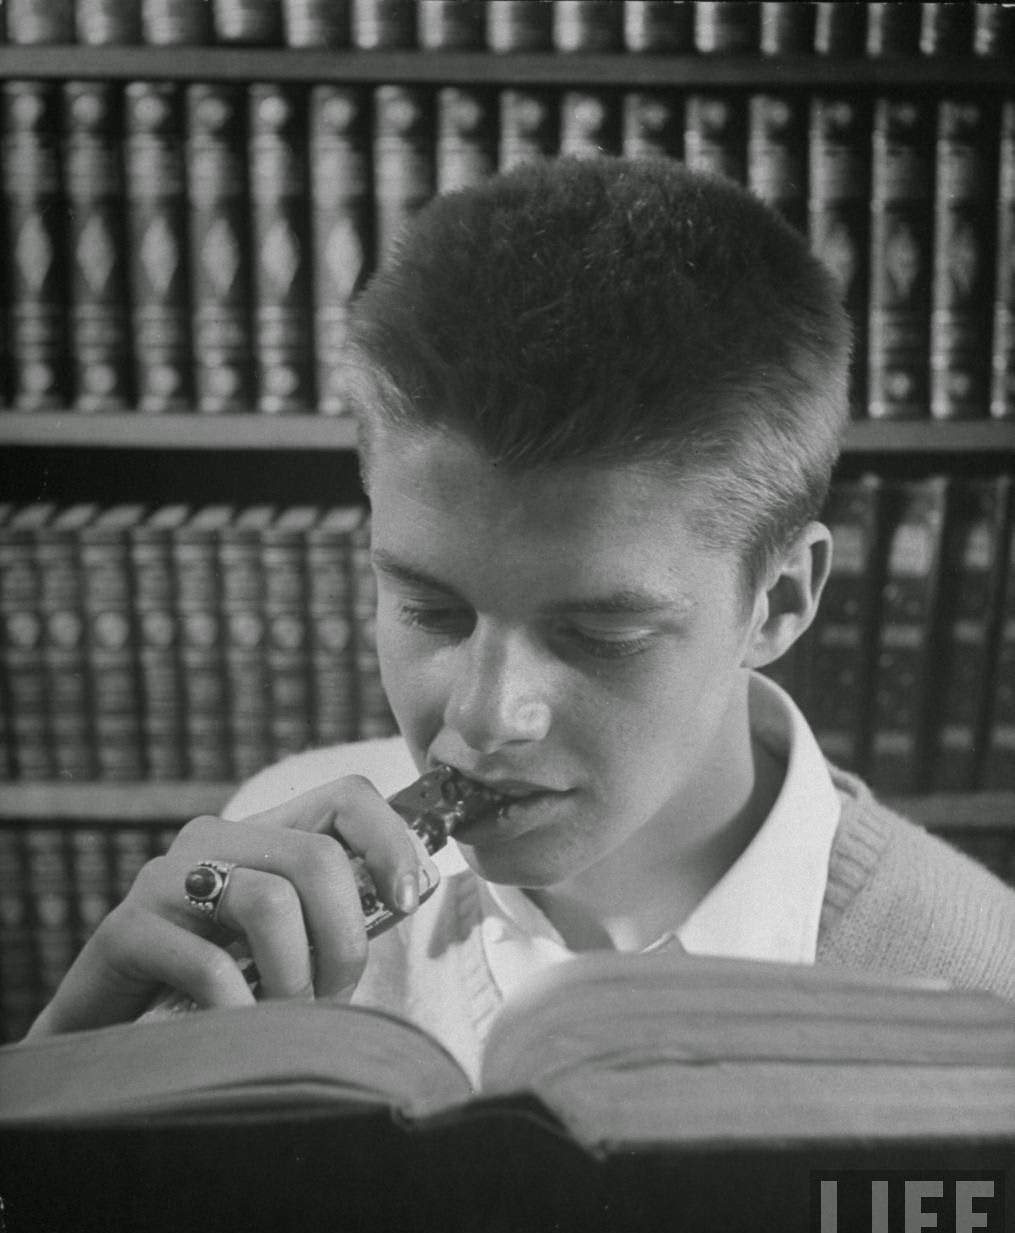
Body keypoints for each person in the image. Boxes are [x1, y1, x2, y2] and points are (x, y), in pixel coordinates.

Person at [26, 157, 1014, 1076]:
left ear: (781, 601)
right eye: (429, 609)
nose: (486, 716)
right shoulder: (274, 854)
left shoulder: (985, 993)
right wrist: (57, 1101)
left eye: (600, 634)